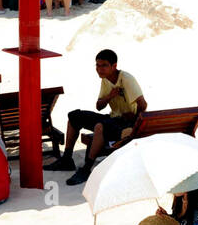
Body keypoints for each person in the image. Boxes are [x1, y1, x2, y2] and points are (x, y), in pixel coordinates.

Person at [52, 49, 146, 185]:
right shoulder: (106, 79)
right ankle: (67, 159)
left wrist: (134, 120)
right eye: (97, 65)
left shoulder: (126, 79)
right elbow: (99, 106)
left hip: (126, 124)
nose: (99, 69)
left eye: (104, 65)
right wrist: (110, 96)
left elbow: (143, 105)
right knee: (74, 116)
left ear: (114, 66)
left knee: (100, 127)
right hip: (112, 118)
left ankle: (86, 168)